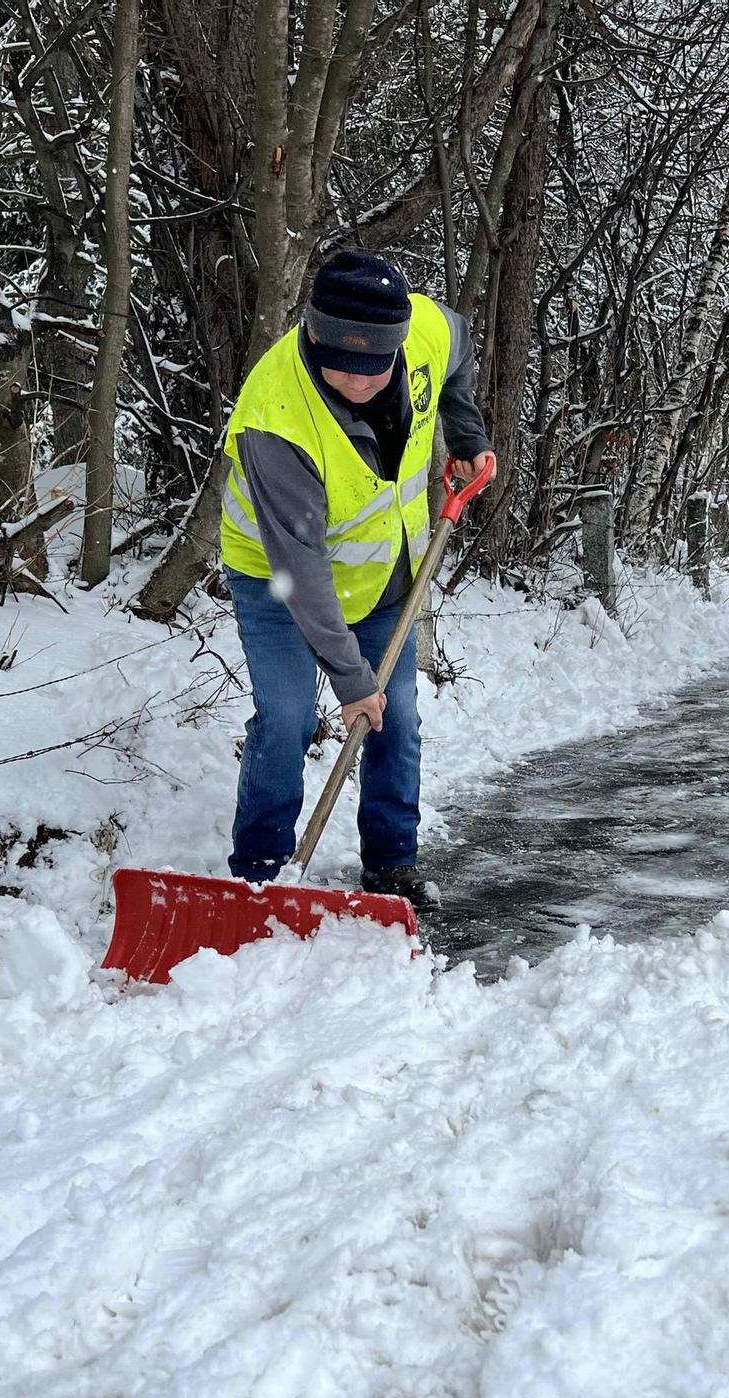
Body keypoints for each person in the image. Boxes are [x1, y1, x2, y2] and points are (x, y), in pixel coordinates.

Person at [219, 250, 495, 909]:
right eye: (342, 362)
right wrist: (349, 680)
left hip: (383, 572)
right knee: (287, 717)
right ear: (312, 329)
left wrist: (465, 433)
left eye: (375, 365)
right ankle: (258, 873)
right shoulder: (275, 418)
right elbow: (301, 568)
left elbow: (457, 351)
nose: (357, 379)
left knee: (396, 717)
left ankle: (392, 865)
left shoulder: (425, 331)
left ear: (399, 342)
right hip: (279, 582)